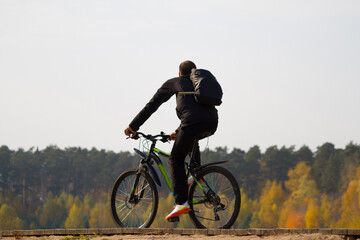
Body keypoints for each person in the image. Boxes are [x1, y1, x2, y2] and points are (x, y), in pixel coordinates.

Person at [124, 60, 218, 220]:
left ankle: (181, 203)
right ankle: (197, 174)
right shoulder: (200, 85)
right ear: (194, 73)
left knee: (175, 158)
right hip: (212, 122)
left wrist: (133, 126)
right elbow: (195, 111)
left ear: (179, 73)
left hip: (191, 124)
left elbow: (152, 105)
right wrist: (177, 132)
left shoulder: (175, 82)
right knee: (189, 137)